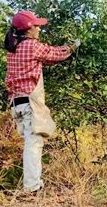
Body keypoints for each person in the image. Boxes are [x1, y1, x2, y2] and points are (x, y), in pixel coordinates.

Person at [4, 10, 78, 192]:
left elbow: (44, 60)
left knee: (31, 142)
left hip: (16, 104)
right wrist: (72, 47)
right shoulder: (31, 45)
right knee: (34, 144)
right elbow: (54, 54)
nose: (39, 29)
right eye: (36, 26)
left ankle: (32, 184)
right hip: (29, 103)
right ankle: (32, 187)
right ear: (29, 29)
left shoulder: (14, 49)